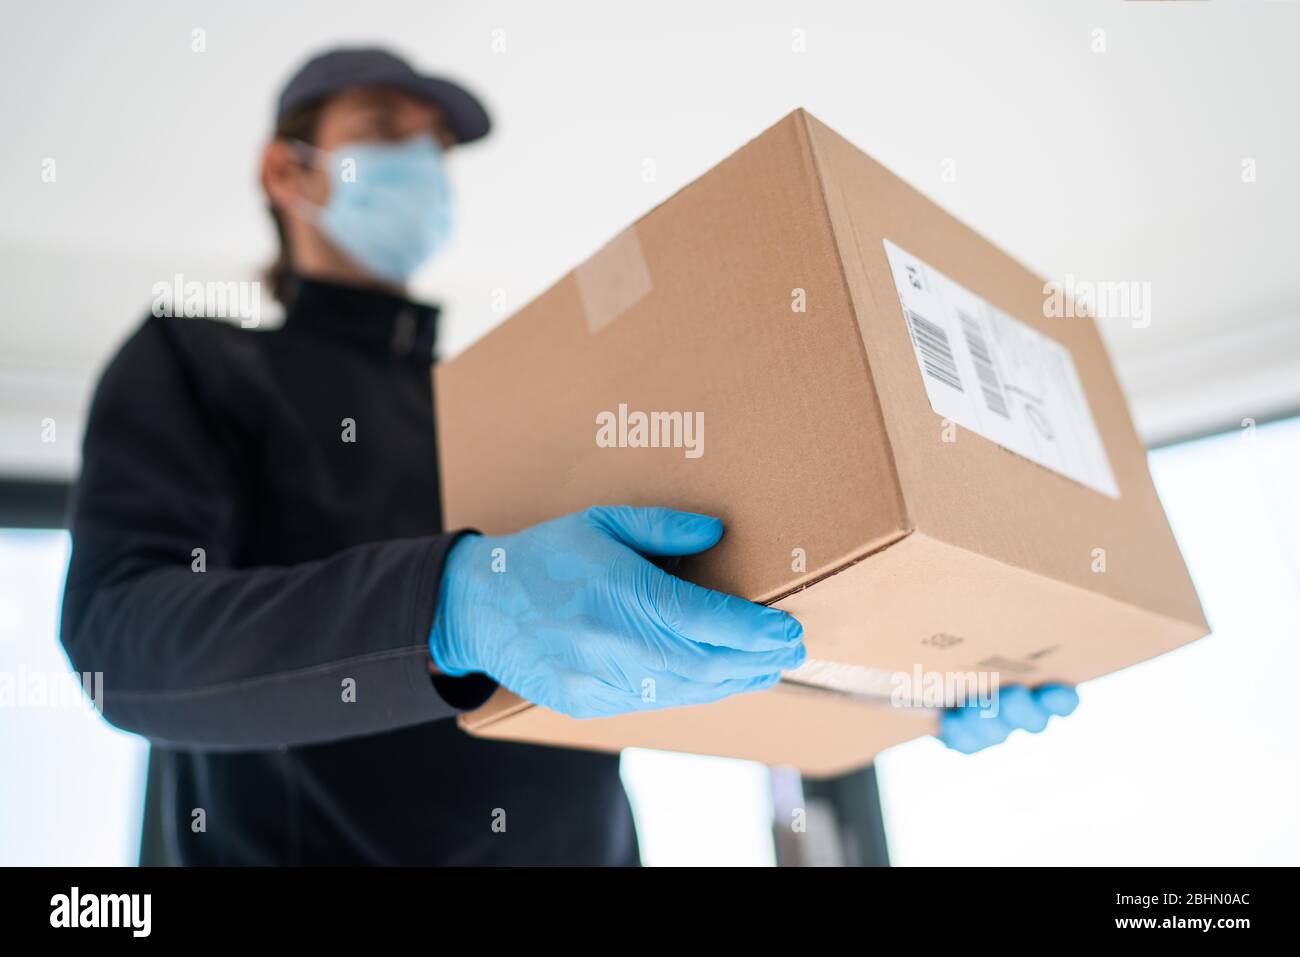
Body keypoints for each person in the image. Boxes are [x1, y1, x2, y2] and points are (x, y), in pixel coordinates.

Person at [60, 47, 1077, 866]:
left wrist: (900, 688)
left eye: (434, 149)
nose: (421, 167)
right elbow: (122, 646)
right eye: (382, 136)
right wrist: (449, 606)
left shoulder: (512, 404)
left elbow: (677, 646)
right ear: (290, 170)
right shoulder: (194, 360)